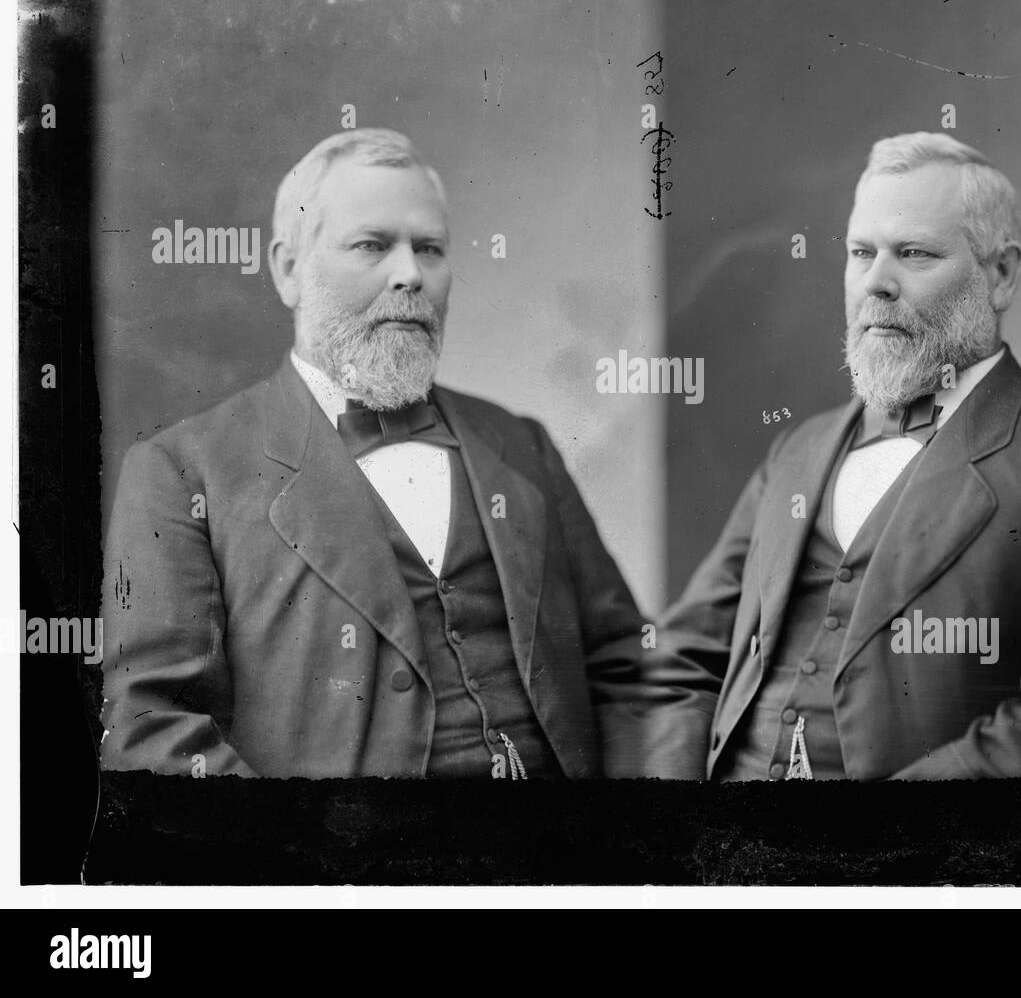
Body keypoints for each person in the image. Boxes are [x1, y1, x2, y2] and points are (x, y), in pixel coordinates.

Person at [100, 128, 645, 779]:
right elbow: (152, 727)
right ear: (288, 268)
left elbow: (624, 665)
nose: (411, 274)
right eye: (372, 245)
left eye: (431, 249)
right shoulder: (182, 472)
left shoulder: (521, 443)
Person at [642, 132, 1021, 782]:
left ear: (1001, 273)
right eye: (861, 253)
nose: (877, 282)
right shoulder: (801, 450)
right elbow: (684, 657)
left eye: (915, 253)